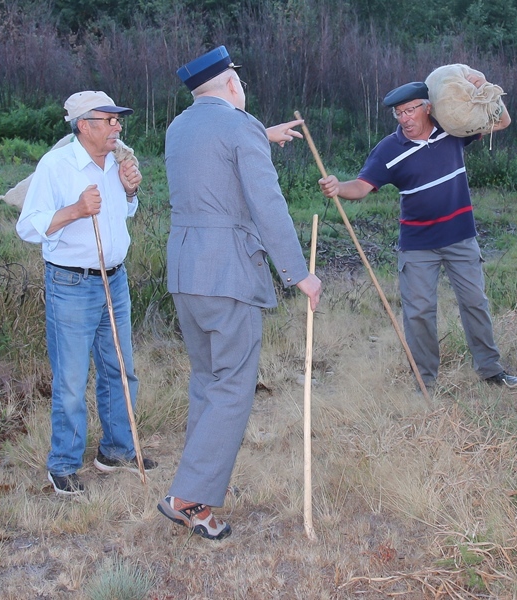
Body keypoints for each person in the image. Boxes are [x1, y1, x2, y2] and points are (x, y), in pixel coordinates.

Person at [158, 45, 321, 541]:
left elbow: (214, 166)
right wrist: (298, 273)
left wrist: (261, 135)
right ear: (232, 85)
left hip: (186, 271)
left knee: (207, 382)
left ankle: (198, 504)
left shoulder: (179, 127)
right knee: (232, 386)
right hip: (228, 274)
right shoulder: (239, 127)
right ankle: (186, 497)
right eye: (240, 80)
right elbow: (266, 205)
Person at [318, 80, 517, 391]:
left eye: (410, 110)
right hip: (417, 246)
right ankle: (425, 381)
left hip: (460, 238)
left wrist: (487, 91)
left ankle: (491, 371)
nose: (404, 118)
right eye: (398, 113)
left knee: (475, 303)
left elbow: (504, 121)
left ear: (427, 107)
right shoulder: (388, 149)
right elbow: (361, 187)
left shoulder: (452, 129)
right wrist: (338, 187)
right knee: (419, 313)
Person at [16, 90, 156, 496]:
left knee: (120, 369)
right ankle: (62, 466)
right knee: (72, 379)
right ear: (84, 125)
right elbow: (28, 226)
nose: (117, 126)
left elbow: (122, 213)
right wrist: (75, 210)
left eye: (117, 119)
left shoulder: (116, 161)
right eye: (109, 120)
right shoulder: (56, 166)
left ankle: (115, 451)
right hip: (71, 285)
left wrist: (129, 192)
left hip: (115, 279)